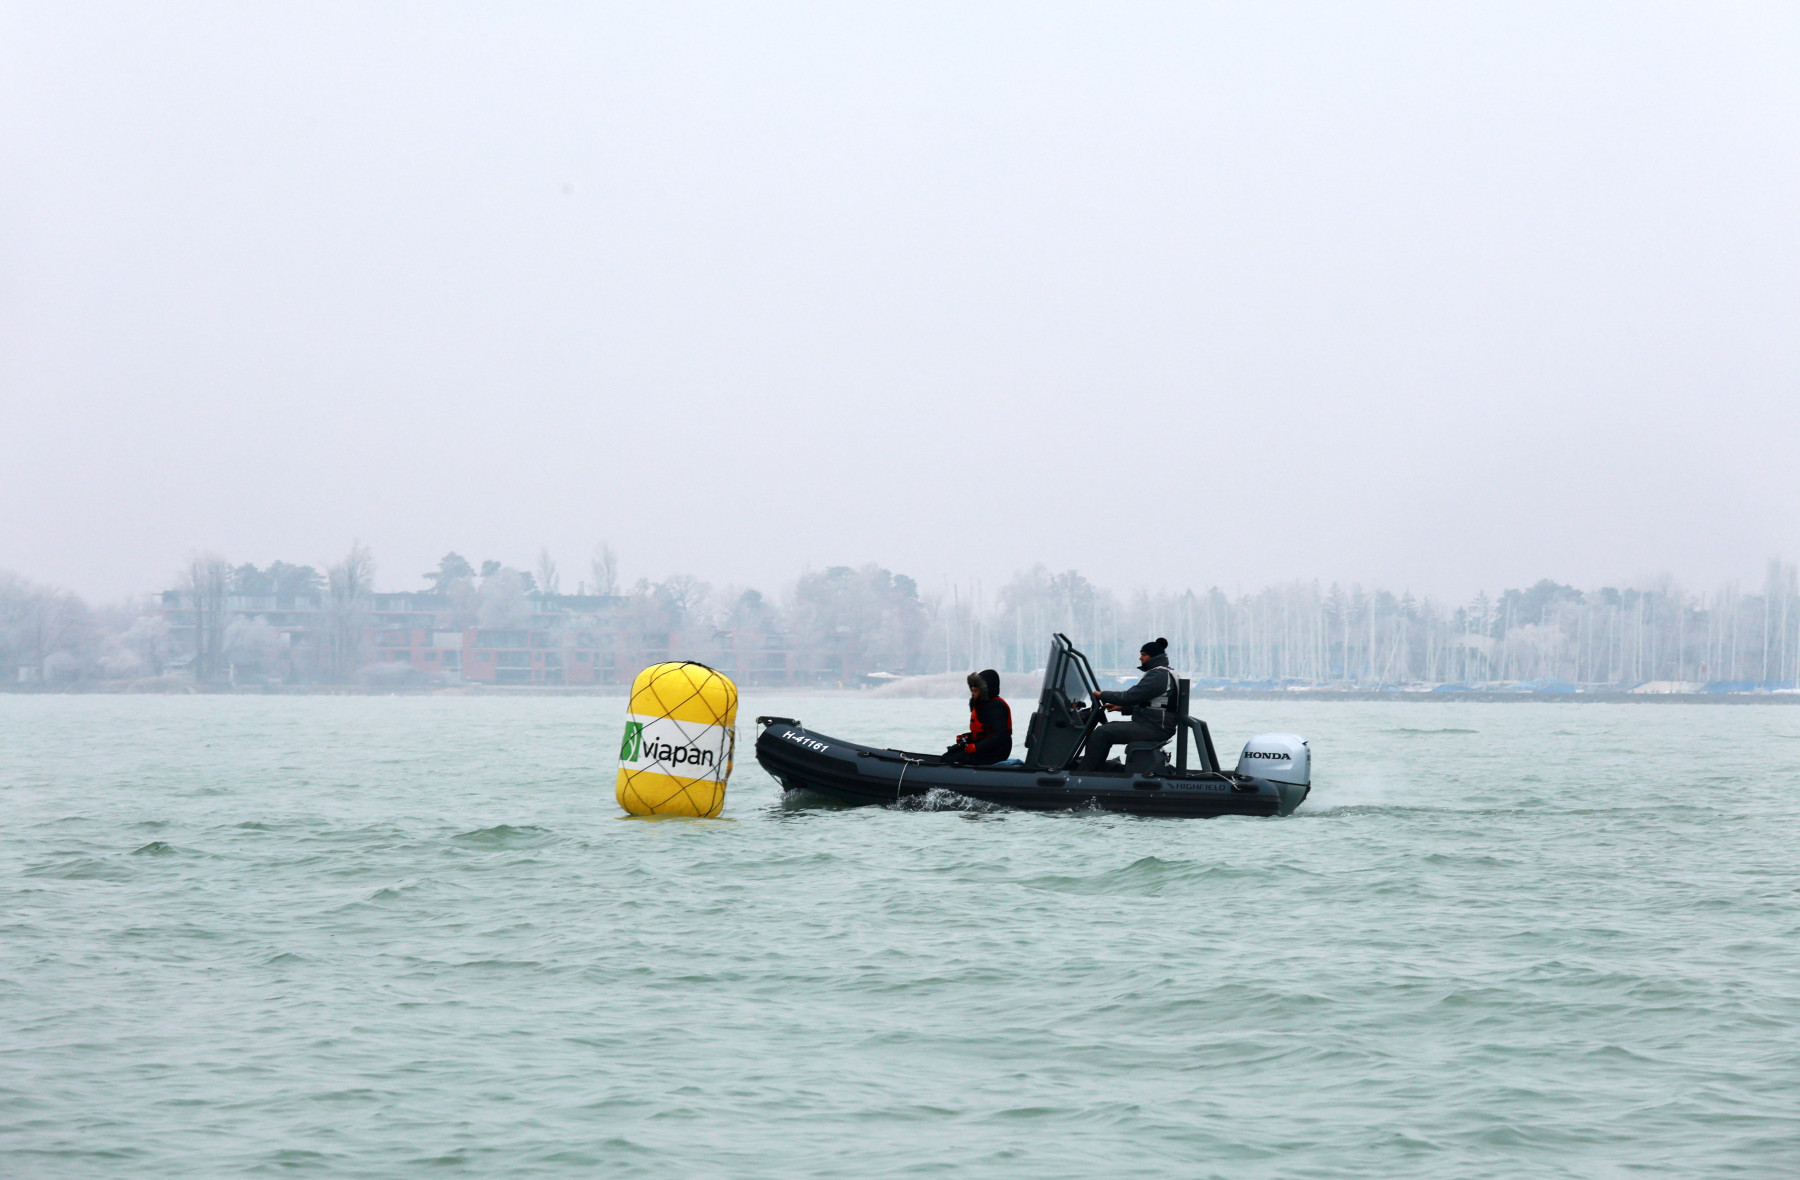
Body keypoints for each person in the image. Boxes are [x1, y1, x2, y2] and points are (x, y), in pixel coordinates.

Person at [1081, 638, 1180, 770]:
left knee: (1102, 733)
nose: (1140, 658)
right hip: (1154, 725)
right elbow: (1152, 703)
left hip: (1155, 728)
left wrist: (1101, 695)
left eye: (1144, 655)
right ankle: (1095, 768)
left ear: (1154, 656)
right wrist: (1123, 708)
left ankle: (1085, 772)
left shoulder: (1159, 675)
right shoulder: (1163, 673)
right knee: (1107, 728)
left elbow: (1129, 696)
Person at [944, 669, 1012, 765]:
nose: (973, 694)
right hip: (985, 747)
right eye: (972, 690)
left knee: (949, 759)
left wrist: (976, 747)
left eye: (975, 691)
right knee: (949, 754)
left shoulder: (996, 706)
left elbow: (999, 736)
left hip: (996, 751)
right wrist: (967, 737)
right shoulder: (983, 705)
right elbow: (984, 733)